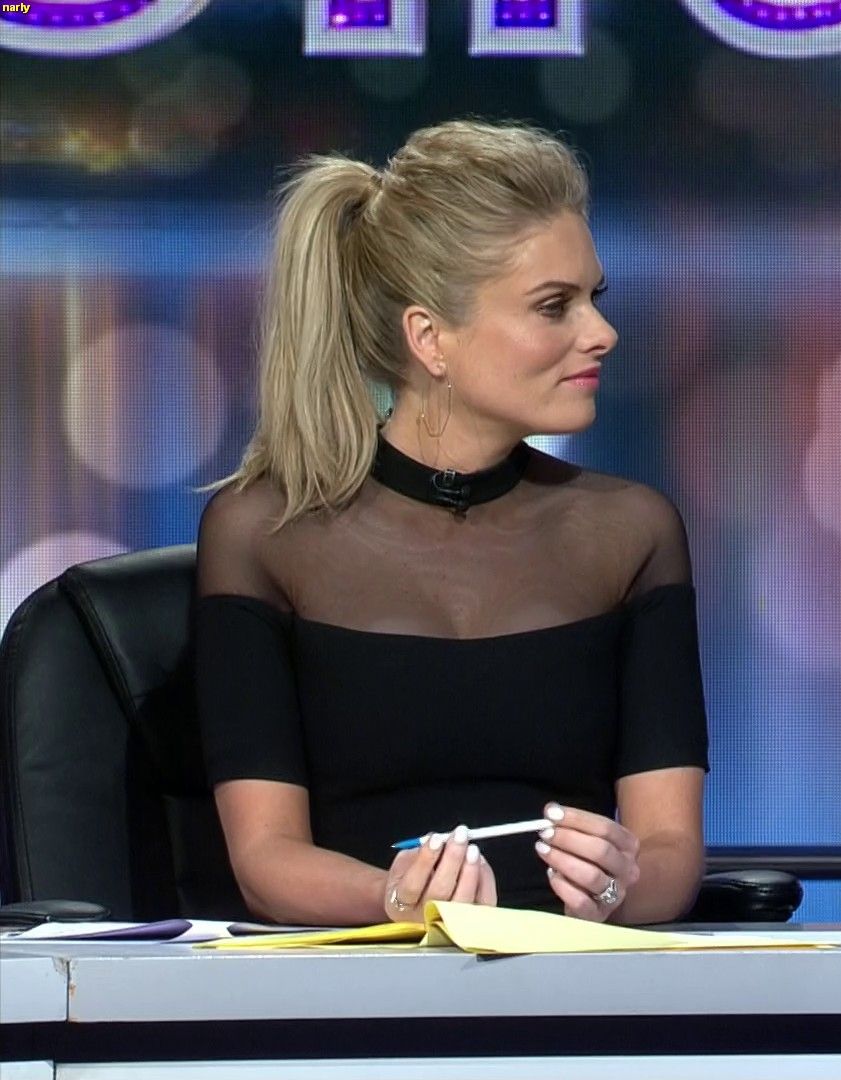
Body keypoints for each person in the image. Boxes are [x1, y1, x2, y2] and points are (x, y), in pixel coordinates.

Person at [195, 120, 708, 926]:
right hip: (359, 978)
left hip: (576, 975)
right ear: (430, 338)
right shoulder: (263, 533)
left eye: (594, 300)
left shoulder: (631, 532)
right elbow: (265, 859)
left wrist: (621, 888)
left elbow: (669, 850)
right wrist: (395, 900)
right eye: (554, 306)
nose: (601, 333)